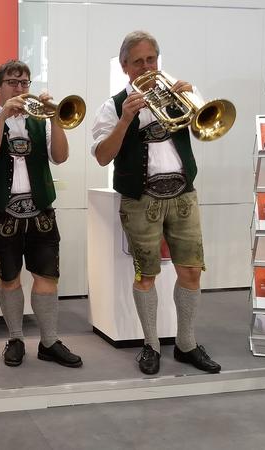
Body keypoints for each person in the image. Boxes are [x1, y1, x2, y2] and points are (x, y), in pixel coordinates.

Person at [90, 30, 220, 375]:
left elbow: (202, 129)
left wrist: (192, 99)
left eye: (151, 59)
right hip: (141, 200)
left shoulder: (177, 91)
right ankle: (150, 345)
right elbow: (103, 156)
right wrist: (125, 119)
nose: (147, 67)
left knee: (191, 269)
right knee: (145, 274)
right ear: (124, 66)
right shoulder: (113, 106)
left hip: (183, 196)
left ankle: (186, 344)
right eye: (138, 62)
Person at [0, 59, 82, 369]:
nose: (20, 88)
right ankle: (15, 337)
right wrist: (3, 116)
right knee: (10, 279)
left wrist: (55, 118)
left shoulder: (40, 121)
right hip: (1, 212)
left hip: (40, 208)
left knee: (47, 277)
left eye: (24, 83)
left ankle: (49, 341)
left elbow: (60, 156)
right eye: (13, 82)